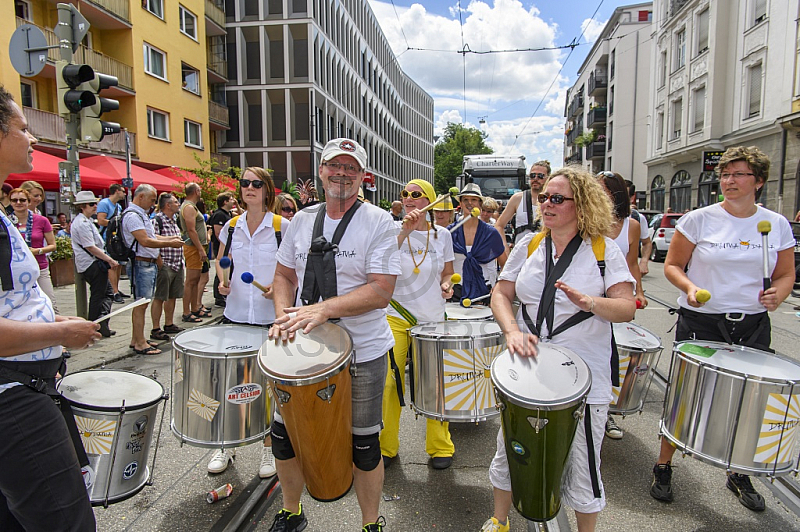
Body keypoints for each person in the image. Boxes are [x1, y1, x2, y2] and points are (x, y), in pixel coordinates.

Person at [484, 167, 636, 532]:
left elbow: (626, 307)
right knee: (511, 447)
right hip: (530, 367)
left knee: (583, 464)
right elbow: (501, 295)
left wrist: (590, 302)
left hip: (585, 376)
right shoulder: (530, 245)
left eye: (557, 199)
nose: (546, 205)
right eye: (544, 198)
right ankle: (499, 521)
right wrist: (511, 332)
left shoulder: (603, 249)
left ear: (580, 205)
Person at [650, 146, 795, 512]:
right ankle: (664, 464)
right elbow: (673, 265)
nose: (729, 181)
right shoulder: (699, 219)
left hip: (751, 324)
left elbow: (785, 274)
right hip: (702, 320)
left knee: (749, 403)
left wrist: (778, 293)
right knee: (688, 394)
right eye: (725, 175)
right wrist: (688, 288)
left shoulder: (774, 224)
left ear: (758, 181)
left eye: (738, 174)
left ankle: (738, 470)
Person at [268, 138, 400, 532]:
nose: (341, 173)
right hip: (299, 347)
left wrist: (325, 308)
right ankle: (291, 511)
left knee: (363, 444)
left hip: (361, 350)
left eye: (350, 168)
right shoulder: (301, 221)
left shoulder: (378, 221)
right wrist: (281, 315)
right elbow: (283, 275)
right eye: (334, 166)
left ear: (363, 176)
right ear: (321, 172)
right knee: (283, 436)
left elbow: (381, 290)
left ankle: (369, 522)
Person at [0, 84, 100, 531]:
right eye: (23, 129)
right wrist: (60, 335)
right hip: (13, 402)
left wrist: (55, 318)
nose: (33, 139)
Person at [210, 167, 286, 479]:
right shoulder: (230, 227)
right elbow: (220, 260)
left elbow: (293, 269)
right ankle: (227, 445)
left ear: (267, 190)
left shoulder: (282, 226)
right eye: (244, 183)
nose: (249, 188)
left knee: (271, 389)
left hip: (270, 320)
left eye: (256, 184)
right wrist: (221, 282)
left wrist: (278, 289)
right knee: (233, 385)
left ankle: (269, 450)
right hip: (236, 316)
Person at [381, 179, 456, 470]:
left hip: (432, 319)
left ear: (430, 201)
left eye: (416, 194)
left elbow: (447, 272)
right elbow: (381, 261)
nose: (409, 198)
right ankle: (386, 446)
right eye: (405, 194)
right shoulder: (391, 230)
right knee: (389, 382)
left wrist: (448, 284)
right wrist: (404, 231)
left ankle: (440, 446)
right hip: (396, 315)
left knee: (435, 383)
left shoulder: (443, 236)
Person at [596, 171, 648, 441]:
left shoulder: (632, 225)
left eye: (604, 190)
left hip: (615, 295)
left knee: (609, 354)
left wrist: (638, 291)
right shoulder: (589, 220)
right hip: (590, 296)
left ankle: (606, 412)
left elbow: (631, 264)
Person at [121, 184, 184, 355]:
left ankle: (137, 338)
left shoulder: (141, 214)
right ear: (140, 196)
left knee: (142, 303)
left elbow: (151, 236)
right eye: (151, 199)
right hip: (141, 263)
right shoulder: (133, 216)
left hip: (146, 263)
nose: (153, 203)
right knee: (141, 304)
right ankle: (140, 343)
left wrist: (170, 238)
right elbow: (145, 241)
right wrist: (170, 243)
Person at [70, 190, 118, 338]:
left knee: (105, 294)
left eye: (95, 204)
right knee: (99, 295)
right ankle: (93, 326)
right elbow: (90, 246)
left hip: (93, 262)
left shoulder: (87, 221)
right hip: (92, 263)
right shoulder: (82, 223)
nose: (95, 207)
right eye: (91, 204)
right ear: (82, 206)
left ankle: (101, 324)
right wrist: (108, 259)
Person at [449, 183, 506, 301]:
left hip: (484, 290)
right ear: (460, 203)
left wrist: (499, 287)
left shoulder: (491, 233)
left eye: (474, 200)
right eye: (465, 200)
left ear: (480, 204)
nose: (469, 203)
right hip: (455, 290)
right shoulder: (450, 232)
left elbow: (505, 265)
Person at [8, 187, 59, 313]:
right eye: (14, 200)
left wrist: (38, 251)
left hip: (39, 266)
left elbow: (52, 245)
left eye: (22, 200)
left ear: (28, 201)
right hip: (16, 269)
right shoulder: (6, 222)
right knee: (20, 306)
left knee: (50, 303)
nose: (18, 203)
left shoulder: (41, 221)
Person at [150, 192, 186, 341]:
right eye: (176, 202)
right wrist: (160, 262)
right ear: (168, 205)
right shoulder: (157, 220)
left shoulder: (174, 220)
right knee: (160, 297)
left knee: (172, 296)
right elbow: (152, 238)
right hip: (165, 263)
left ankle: (169, 323)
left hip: (177, 263)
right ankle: (155, 328)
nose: (178, 204)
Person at [493, 161, 550, 244]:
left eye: (540, 176)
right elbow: (499, 225)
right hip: (521, 253)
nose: (535, 179)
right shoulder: (518, 198)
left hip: (545, 252)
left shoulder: (552, 200)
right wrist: (504, 249)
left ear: (548, 178)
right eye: (532, 175)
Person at [178, 183, 211, 323]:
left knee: (196, 280)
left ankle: (194, 308)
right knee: (191, 281)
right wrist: (199, 248)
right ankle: (186, 311)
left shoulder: (191, 206)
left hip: (197, 246)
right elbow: (191, 230)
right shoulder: (189, 207)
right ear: (196, 191)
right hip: (192, 247)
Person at [97, 183, 128, 303]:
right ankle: (113, 291)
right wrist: (114, 223)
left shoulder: (118, 206)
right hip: (107, 238)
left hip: (116, 238)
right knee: (112, 265)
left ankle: (117, 288)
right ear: (116, 191)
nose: (124, 194)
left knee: (118, 264)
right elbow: (101, 220)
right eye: (122, 191)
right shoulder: (104, 203)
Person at [208, 192, 235, 308]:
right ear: (225, 202)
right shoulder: (219, 214)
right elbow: (218, 233)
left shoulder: (227, 213)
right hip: (222, 247)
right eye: (231, 199)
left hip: (228, 247)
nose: (234, 200)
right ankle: (219, 297)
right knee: (221, 273)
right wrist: (226, 246)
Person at [625, 180, 652, 275]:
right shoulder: (599, 218)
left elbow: (647, 243)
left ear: (632, 198)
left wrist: (644, 261)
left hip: (628, 273)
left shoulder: (637, 218)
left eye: (624, 196)